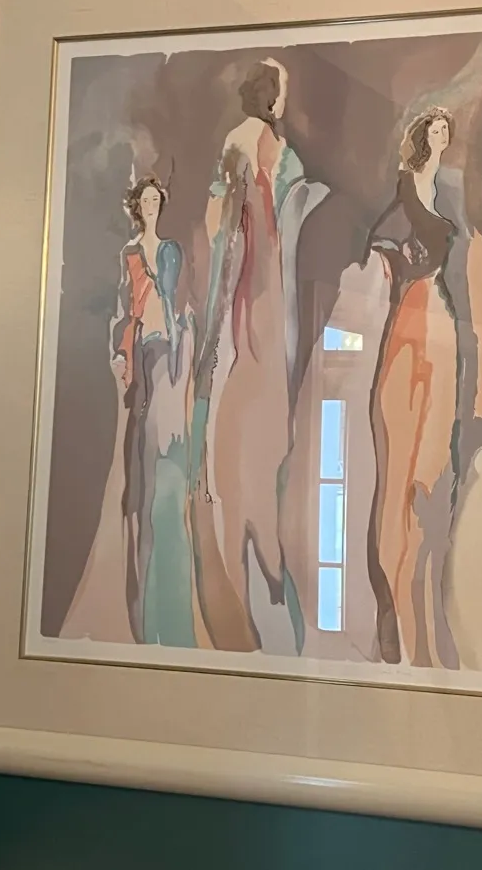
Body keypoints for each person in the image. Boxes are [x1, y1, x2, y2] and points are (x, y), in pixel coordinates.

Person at [194, 58, 312, 650]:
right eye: (281, 89)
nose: (284, 98)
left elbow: (224, 222)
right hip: (260, 283)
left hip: (253, 282)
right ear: (270, 95)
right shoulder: (265, 145)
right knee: (255, 380)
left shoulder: (243, 141)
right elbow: (243, 223)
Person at [365, 107, 460, 667]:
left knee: (432, 467)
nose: (442, 137)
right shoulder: (407, 190)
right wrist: (399, 266)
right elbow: (380, 243)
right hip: (411, 318)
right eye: (436, 130)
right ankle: (391, 606)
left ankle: (419, 607)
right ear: (423, 137)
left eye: (447, 131)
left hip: (439, 320)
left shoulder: (449, 192)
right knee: (400, 466)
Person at [109, 175, 197, 647]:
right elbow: (123, 306)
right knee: (139, 441)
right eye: (144, 200)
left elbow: (175, 302)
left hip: (164, 343)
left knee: (160, 444)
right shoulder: (129, 253)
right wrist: (122, 350)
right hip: (139, 343)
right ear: (135, 206)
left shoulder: (170, 251)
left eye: (155, 200)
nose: (150, 206)